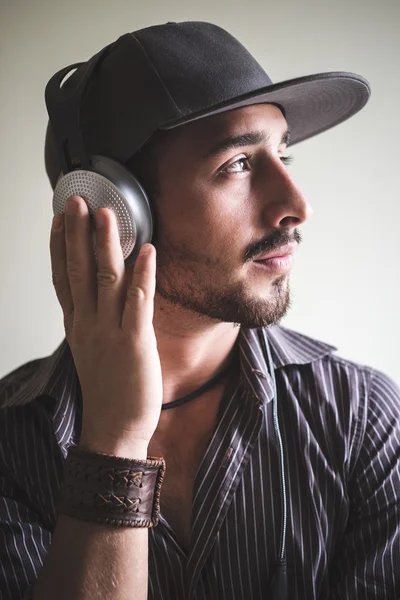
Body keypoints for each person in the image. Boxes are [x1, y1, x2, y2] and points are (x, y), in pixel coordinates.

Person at [0, 20, 399, 600]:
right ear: (117, 209)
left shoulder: (363, 421)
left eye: (284, 156)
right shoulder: (11, 446)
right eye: (237, 163)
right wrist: (114, 439)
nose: (296, 206)